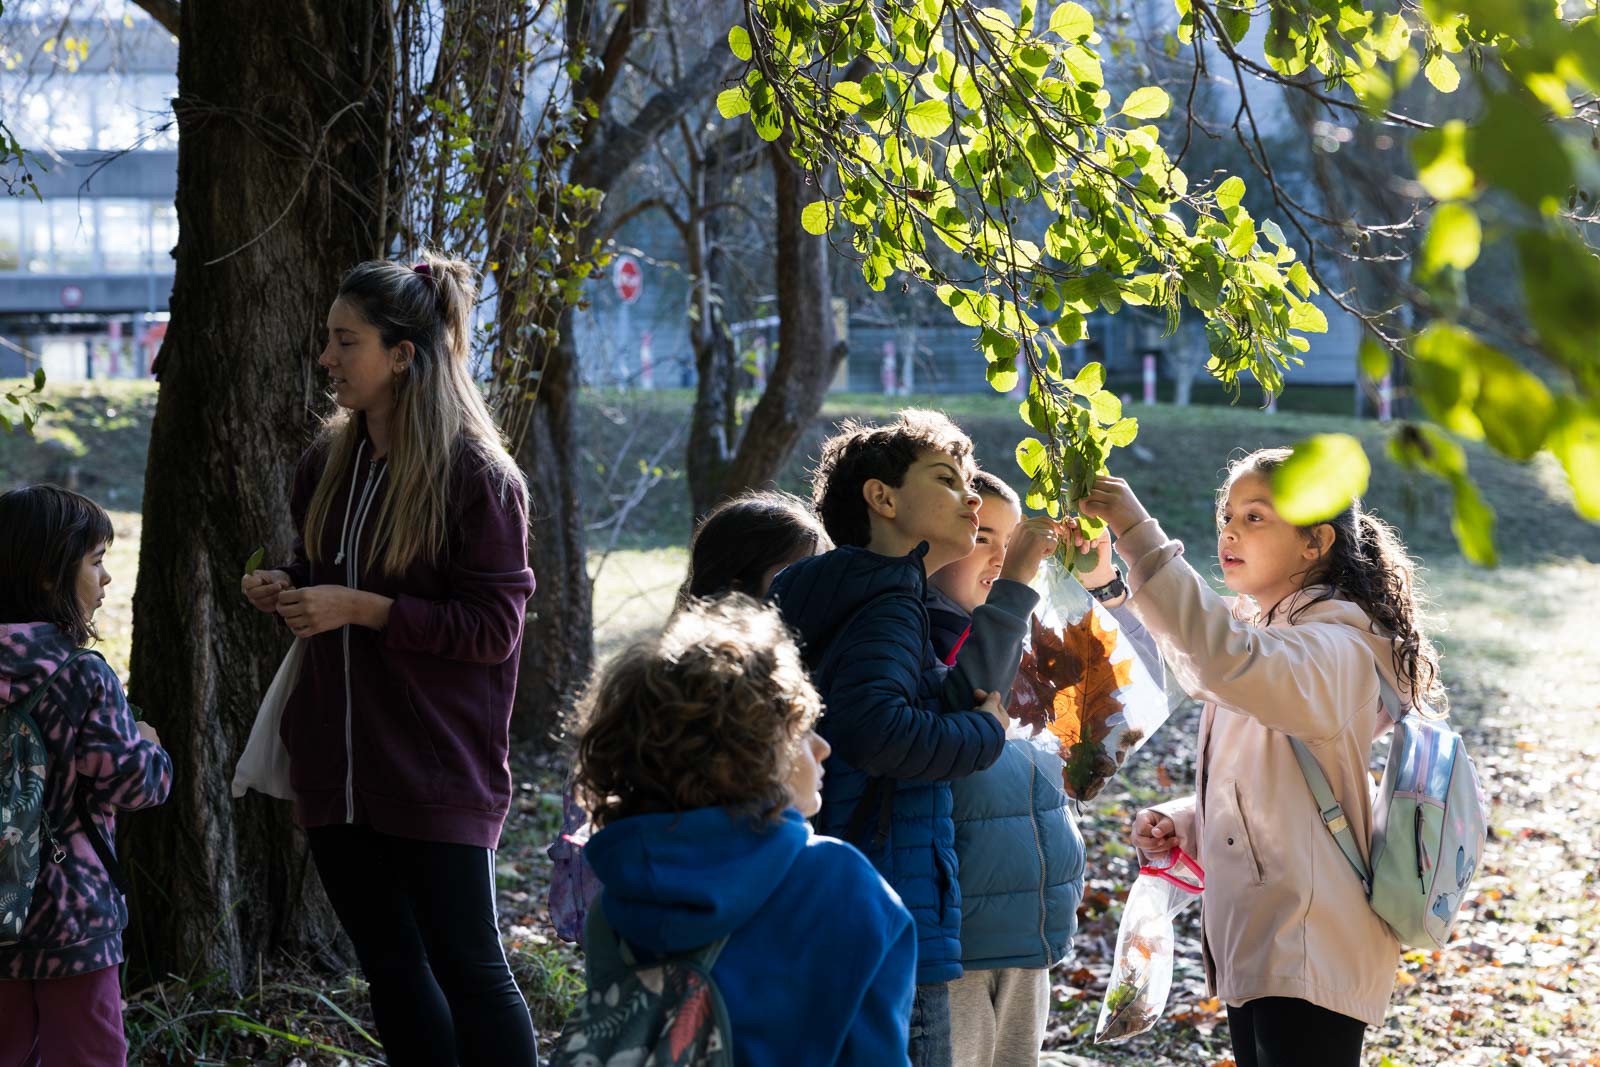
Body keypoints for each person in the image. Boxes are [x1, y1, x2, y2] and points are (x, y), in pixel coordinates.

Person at [240, 252, 538, 1066]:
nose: (327, 359)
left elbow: (493, 628)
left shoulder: (476, 476)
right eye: (329, 341)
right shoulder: (323, 464)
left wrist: (359, 608)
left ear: (403, 355)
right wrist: (290, 587)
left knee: (471, 970)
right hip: (334, 769)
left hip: (435, 766)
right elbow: (328, 578)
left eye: (347, 342)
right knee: (391, 969)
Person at [1078, 448, 1445, 1067]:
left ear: (1314, 543)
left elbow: (1222, 656)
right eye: (1226, 515)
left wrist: (1138, 532)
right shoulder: (1282, 635)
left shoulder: (1334, 649)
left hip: (1308, 940)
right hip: (1270, 935)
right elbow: (1269, 767)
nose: (1228, 530)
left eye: (1255, 517)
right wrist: (1190, 818)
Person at [768, 410, 1020, 1067]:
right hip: (887, 896)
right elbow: (874, 730)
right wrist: (983, 731)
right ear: (882, 498)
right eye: (947, 478)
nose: (970, 496)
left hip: (838, 884)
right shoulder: (888, 599)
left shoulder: (829, 589)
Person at [571, 594, 917, 1066]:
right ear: (746, 757)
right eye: (801, 728)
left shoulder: (614, 906)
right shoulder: (844, 885)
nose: (823, 748)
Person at [928, 470, 1162, 1067]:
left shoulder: (1033, 641)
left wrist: (1103, 584)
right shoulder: (913, 637)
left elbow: (1145, 688)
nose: (1005, 556)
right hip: (952, 943)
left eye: (1013, 539)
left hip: (1026, 933)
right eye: (982, 535)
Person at [548, 490, 833, 943]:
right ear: (740, 585)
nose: (815, 590)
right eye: (796, 575)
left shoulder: (805, 667)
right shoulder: (680, 692)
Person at [0, 484, 173, 1067]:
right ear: (49, 575)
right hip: (71, 918)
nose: (105, 581)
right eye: (96, 562)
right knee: (88, 1054)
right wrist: (149, 746)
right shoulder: (81, 676)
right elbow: (132, 784)